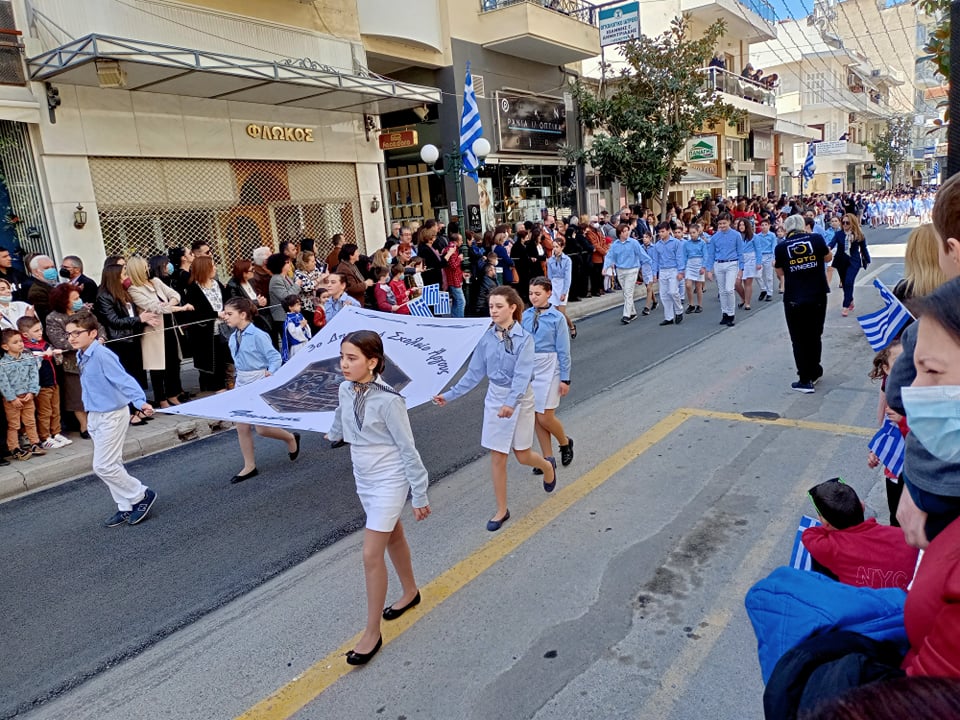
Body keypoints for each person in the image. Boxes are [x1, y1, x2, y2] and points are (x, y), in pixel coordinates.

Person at [325, 331, 431, 666]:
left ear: (372, 362)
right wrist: (334, 433)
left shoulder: (390, 400)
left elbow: (407, 448)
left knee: (371, 554)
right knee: (393, 534)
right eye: (342, 357)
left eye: (352, 358)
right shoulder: (345, 388)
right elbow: (343, 416)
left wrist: (419, 492)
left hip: (390, 476)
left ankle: (372, 633)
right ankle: (411, 591)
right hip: (364, 476)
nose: (344, 364)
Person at [432, 286, 556, 531]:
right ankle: (502, 510)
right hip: (495, 398)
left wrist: (511, 403)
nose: (494, 311)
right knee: (498, 456)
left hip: (520, 399)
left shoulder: (525, 339)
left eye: (499, 306)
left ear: (512, 308)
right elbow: (474, 373)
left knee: (522, 455)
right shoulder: (486, 339)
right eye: (491, 306)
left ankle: (547, 466)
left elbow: (522, 376)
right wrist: (449, 395)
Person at [68, 311, 158, 526]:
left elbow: (123, 379)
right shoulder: (82, 354)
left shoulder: (102, 355)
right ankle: (125, 505)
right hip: (95, 415)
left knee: (103, 466)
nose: (71, 337)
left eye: (76, 333)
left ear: (92, 333)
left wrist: (140, 401)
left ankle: (141, 494)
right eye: (68, 333)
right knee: (112, 463)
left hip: (112, 415)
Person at [222, 297, 300, 484]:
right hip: (242, 382)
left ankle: (290, 437)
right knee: (241, 425)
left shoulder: (258, 335)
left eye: (229, 313)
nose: (225, 317)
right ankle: (249, 465)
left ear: (243, 315)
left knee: (263, 429)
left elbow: (274, 357)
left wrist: (270, 373)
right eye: (225, 313)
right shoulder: (233, 337)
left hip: (258, 381)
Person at [801, 478, 918, 590]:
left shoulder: (831, 547)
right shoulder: (905, 535)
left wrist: (828, 525)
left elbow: (808, 534)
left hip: (865, 607)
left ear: (825, 523)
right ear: (862, 506)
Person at [774, 214, 833, 393]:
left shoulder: (782, 247)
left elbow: (780, 272)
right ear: (803, 226)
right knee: (815, 334)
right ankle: (815, 370)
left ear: (787, 229)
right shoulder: (816, 238)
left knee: (799, 339)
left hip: (795, 298)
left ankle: (805, 378)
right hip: (817, 295)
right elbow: (828, 258)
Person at [95, 264, 159, 423]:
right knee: (124, 377)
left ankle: (138, 407)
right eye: (124, 273)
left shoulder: (125, 292)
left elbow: (131, 315)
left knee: (136, 376)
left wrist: (143, 320)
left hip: (133, 338)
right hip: (119, 342)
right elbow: (114, 321)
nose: (127, 277)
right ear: (115, 276)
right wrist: (139, 319)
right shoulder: (104, 296)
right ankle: (129, 411)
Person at [522, 277, 573, 476]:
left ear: (548, 293)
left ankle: (565, 442)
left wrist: (565, 378)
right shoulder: (525, 315)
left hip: (551, 367)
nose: (533, 297)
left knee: (545, 417)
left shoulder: (557, 318)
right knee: (536, 416)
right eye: (531, 293)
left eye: (538, 293)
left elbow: (564, 350)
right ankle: (547, 458)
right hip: (531, 368)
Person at [125, 256, 192, 409]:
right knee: (158, 367)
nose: (148, 268)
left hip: (169, 326)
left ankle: (173, 394)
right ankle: (161, 398)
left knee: (174, 361)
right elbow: (154, 307)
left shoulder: (156, 281)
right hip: (154, 331)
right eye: (144, 266)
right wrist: (179, 308)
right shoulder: (134, 289)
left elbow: (175, 295)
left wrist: (168, 305)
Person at [19, 316, 70, 449]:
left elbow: (58, 361)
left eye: (40, 329)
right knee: (44, 412)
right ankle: (45, 436)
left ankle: (56, 433)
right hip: (41, 385)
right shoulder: (25, 348)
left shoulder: (44, 344)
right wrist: (43, 356)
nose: (40, 332)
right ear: (25, 334)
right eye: (36, 331)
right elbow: (30, 367)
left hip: (53, 382)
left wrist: (57, 354)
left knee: (55, 410)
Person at [45, 283, 88, 439]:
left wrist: (100, 337)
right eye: (75, 298)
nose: (79, 301)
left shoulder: (83, 311)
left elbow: (99, 327)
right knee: (77, 395)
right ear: (64, 301)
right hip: (71, 362)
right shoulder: (53, 318)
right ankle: (84, 425)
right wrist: (85, 341)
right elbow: (60, 341)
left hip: (91, 357)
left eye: (79, 297)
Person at [183, 255, 228, 393]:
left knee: (223, 358)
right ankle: (214, 387)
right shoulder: (193, 289)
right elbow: (195, 313)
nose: (215, 268)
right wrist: (215, 314)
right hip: (205, 332)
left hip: (224, 328)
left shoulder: (217, 284)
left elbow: (228, 300)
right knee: (210, 361)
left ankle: (224, 383)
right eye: (212, 265)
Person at [0, 328, 45, 460]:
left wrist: (32, 391)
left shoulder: (28, 358)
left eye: (20, 341)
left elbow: (34, 375)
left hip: (27, 396)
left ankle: (34, 443)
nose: (20, 344)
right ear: (5, 346)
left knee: (30, 421)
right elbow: (3, 383)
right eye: (15, 342)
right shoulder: (3, 363)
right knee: (14, 424)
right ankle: (14, 448)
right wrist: (12, 398)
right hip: (12, 400)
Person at [603, 224, 648, 325]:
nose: (627, 233)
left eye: (627, 230)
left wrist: (650, 263)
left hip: (632, 269)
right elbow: (609, 256)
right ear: (619, 233)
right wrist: (605, 267)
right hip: (621, 270)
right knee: (626, 292)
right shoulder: (615, 245)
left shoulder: (633, 242)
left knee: (628, 292)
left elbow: (641, 254)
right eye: (624, 231)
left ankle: (626, 315)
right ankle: (632, 312)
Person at [649, 222, 684, 326]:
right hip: (663, 270)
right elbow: (655, 260)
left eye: (663, 231)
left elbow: (680, 257)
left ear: (668, 231)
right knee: (664, 295)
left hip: (673, 269)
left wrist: (681, 271)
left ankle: (679, 310)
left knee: (673, 292)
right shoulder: (657, 245)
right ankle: (668, 317)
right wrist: (654, 274)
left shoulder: (676, 243)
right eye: (659, 232)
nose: (661, 234)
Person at [838, 213, 870, 317]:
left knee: (849, 281)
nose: (845, 225)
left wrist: (867, 259)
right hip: (842, 261)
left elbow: (863, 248)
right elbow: (832, 243)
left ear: (852, 223)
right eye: (843, 222)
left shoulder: (859, 235)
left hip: (854, 261)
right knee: (844, 282)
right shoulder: (839, 234)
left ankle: (845, 306)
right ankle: (850, 299)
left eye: (847, 222)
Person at [545, 237, 575, 336]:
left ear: (562, 247)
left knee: (561, 313)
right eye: (553, 247)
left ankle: (571, 326)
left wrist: (564, 292)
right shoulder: (550, 260)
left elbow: (567, 277)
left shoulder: (567, 260)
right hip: (554, 284)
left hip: (563, 284)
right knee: (554, 311)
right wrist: (549, 289)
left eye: (557, 247)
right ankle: (557, 332)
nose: (555, 249)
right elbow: (549, 276)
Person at [734, 218, 761, 311]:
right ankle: (743, 298)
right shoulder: (736, 236)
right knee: (737, 283)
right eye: (740, 225)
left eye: (743, 225)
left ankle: (747, 303)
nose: (741, 227)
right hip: (739, 259)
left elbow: (758, 250)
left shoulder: (754, 236)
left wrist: (758, 262)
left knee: (747, 283)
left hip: (750, 259)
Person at [682, 222, 707, 314]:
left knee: (698, 286)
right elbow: (684, 256)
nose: (692, 234)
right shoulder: (686, 244)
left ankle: (699, 305)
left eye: (694, 232)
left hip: (699, 263)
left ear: (698, 232)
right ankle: (691, 304)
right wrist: (683, 268)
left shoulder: (702, 243)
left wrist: (703, 267)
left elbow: (705, 255)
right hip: (690, 263)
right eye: (690, 233)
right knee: (688, 285)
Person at [280, 294, 311, 362]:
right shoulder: (289, 320)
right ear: (290, 307)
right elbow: (293, 332)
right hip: (297, 345)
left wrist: (306, 326)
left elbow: (307, 329)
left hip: (304, 342)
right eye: (297, 305)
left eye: (300, 304)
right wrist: (301, 326)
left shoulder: (299, 315)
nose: (300, 306)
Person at [27, 255, 57, 323]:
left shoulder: (53, 285)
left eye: (52, 267)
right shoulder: (37, 292)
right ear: (36, 272)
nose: (51, 270)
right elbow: (48, 315)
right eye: (46, 268)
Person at [442, 234, 466, 318]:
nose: (462, 242)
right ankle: (459, 320)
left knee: (456, 301)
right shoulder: (451, 249)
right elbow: (453, 266)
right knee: (461, 301)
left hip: (455, 278)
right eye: (461, 240)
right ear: (456, 241)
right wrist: (459, 258)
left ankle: (455, 317)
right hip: (454, 279)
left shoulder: (452, 249)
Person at [754, 217, 777, 302]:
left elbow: (774, 246)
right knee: (757, 275)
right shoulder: (757, 236)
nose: (764, 227)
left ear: (769, 226)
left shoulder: (772, 235)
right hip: (760, 256)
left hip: (769, 255)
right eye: (762, 225)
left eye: (765, 225)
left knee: (769, 276)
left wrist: (774, 258)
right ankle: (763, 289)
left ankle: (769, 293)